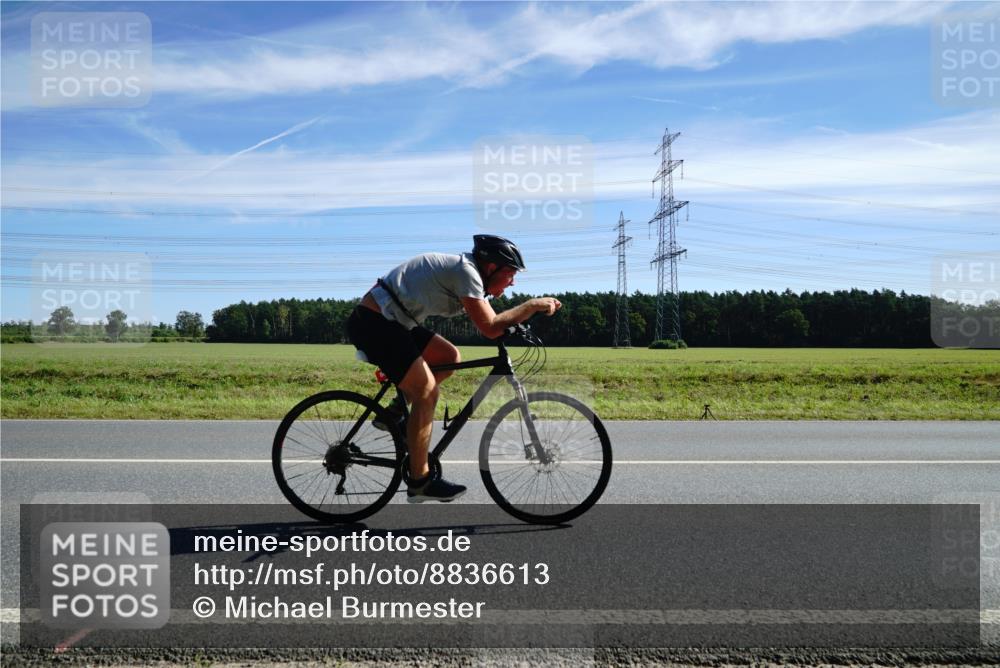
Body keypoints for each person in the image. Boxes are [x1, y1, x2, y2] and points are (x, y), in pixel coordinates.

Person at [346, 235, 562, 503]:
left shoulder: (471, 276)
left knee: (449, 356)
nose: (513, 282)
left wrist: (518, 320)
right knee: (426, 393)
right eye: (510, 274)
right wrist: (531, 305)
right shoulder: (467, 272)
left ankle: (394, 414)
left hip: (396, 322)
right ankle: (419, 482)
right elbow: (490, 326)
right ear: (491, 267)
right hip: (375, 322)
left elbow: (494, 321)